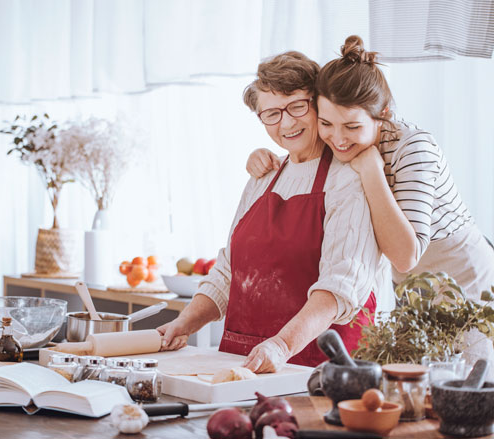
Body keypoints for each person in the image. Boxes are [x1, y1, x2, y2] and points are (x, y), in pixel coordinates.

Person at [246, 35, 494, 370]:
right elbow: (301, 150)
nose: (337, 138)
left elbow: (405, 255)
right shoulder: (340, 139)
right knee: (417, 387)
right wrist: (264, 157)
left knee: (469, 388)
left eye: (352, 126)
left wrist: (372, 171)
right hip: (411, 289)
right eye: (327, 123)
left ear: (384, 114)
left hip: (464, 278)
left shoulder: (414, 147)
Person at [157, 50, 388, 373]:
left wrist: (282, 345)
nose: (287, 123)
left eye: (297, 106)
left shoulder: (349, 178)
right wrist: (183, 324)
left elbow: (341, 286)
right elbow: (229, 272)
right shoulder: (263, 176)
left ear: (318, 104)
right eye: (272, 114)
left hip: (319, 368)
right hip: (245, 362)